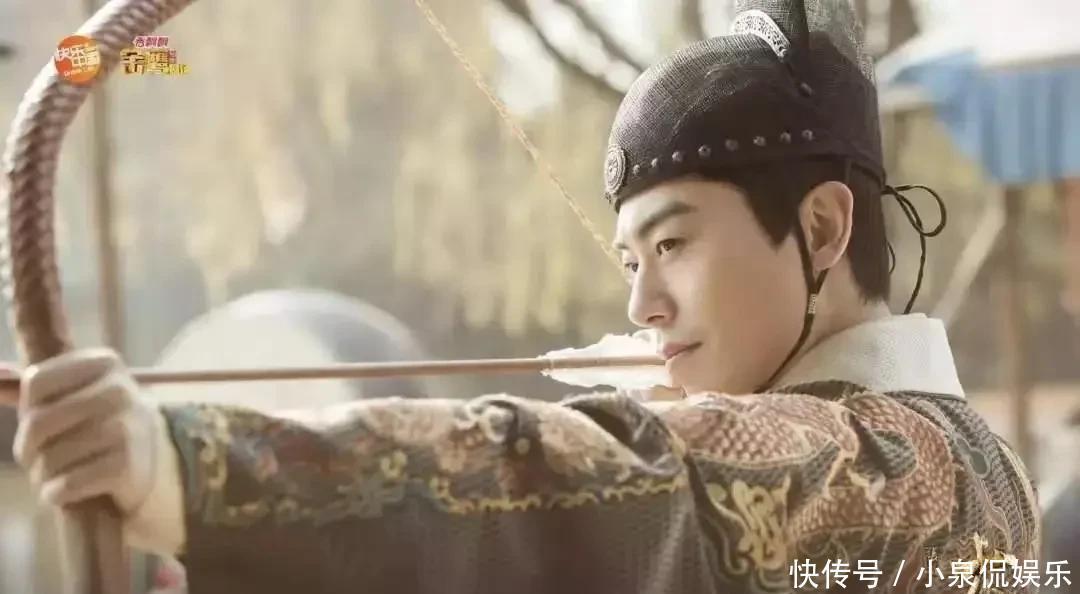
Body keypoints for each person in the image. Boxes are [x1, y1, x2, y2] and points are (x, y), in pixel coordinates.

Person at [6, 1, 1041, 592]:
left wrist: (181, 467)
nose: (643, 305)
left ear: (819, 231)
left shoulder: (901, 470)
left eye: (673, 243)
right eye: (630, 262)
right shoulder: (972, 466)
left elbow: (601, 480)